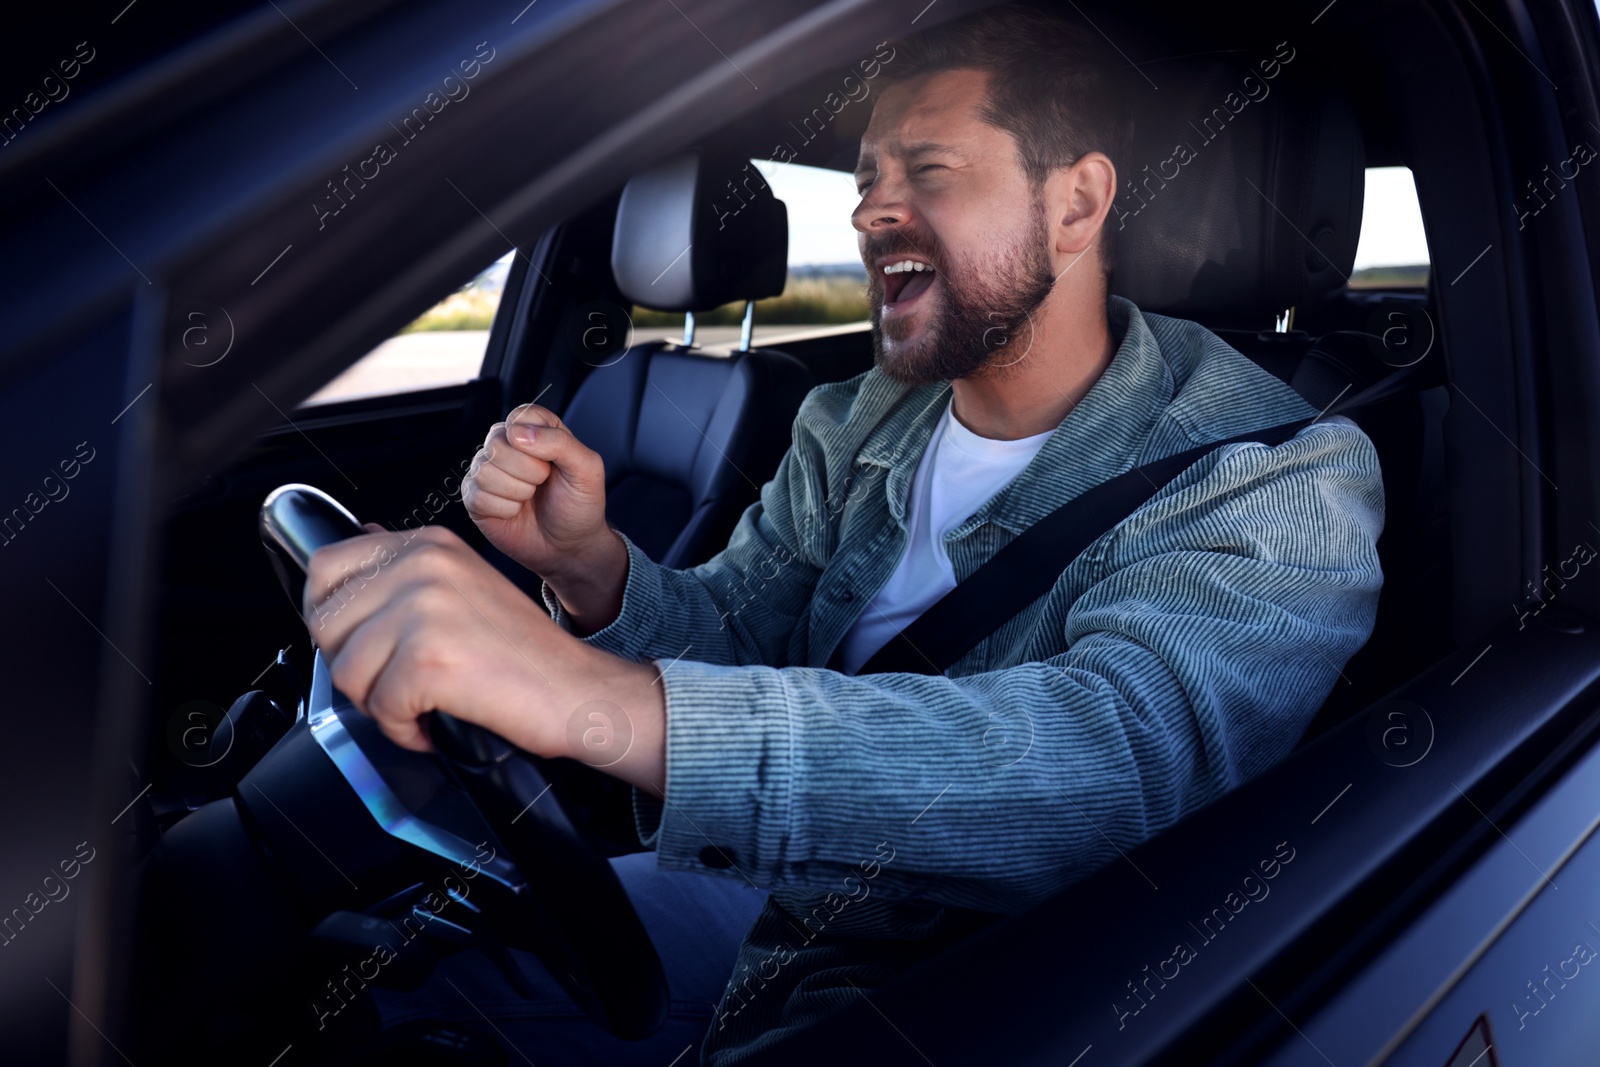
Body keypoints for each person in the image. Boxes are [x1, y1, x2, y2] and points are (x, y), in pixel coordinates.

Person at [303, 5, 1384, 1063]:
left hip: (986, 966)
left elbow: (1109, 767)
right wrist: (587, 566)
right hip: (778, 881)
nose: (871, 212)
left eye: (930, 171)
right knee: (389, 984)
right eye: (868, 178)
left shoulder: (1278, 468)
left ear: (1076, 203)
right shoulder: (854, 416)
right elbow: (738, 625)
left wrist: (592, 698)